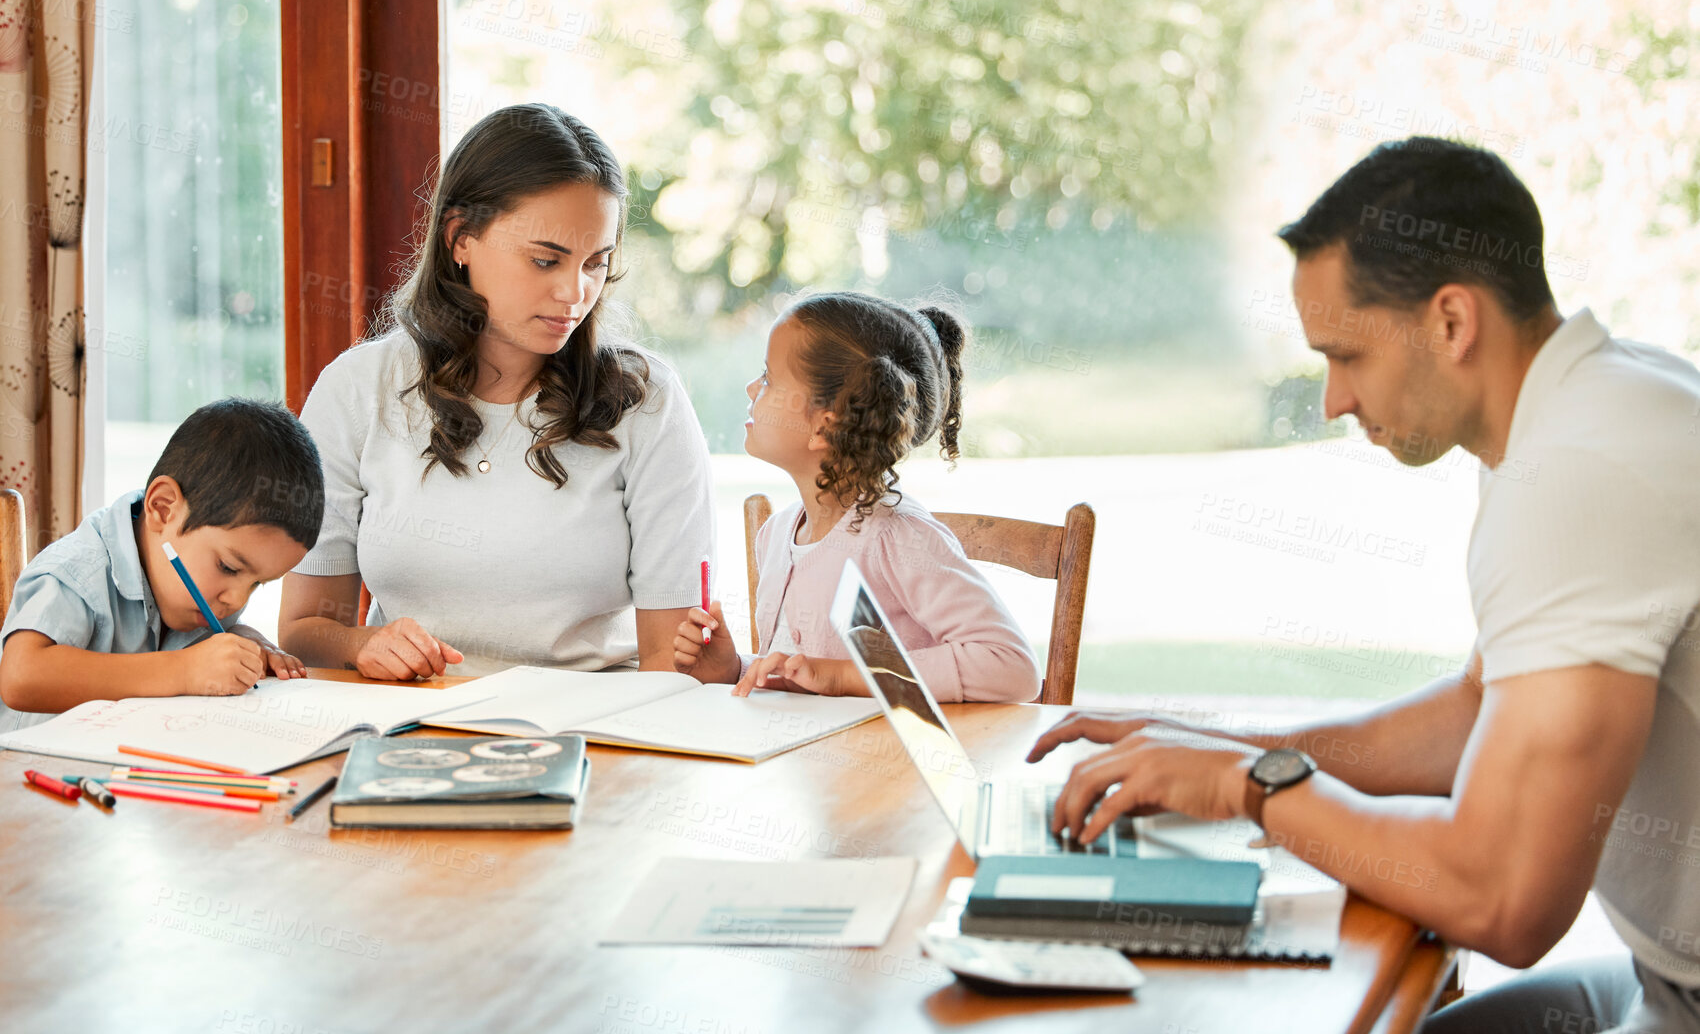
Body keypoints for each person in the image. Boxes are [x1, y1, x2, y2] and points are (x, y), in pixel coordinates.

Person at [1027, 137, 1700, 1032]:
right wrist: (1213, 748)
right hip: (1664, 977)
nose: (1333, 401)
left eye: (1346, 355)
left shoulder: (1578, 474)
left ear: (1451, 322)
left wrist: (1249, 786)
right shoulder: (1597, 405)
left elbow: (1504, 898)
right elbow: (1474, 712)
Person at [278, 105, 715, 679]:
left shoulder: (645, 401)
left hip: (593, 720)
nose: (574, 292)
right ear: (460, 238)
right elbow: (305, 631)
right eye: (545, 260)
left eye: (596, 263)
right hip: (412, 714)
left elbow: (672, 663)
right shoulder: (358, 388)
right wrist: (361, 644)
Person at [673, 292, 1041, 703]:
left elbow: (1012, 666)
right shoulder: (775, 535)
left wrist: (842, 676)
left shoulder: (897, 536)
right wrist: (733, 669)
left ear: (824, 427)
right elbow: (798, 676)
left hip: (883, 748)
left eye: (768, 378)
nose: (751, 387)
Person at [0, 398, 322, 731]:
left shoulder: (195, 593)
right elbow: (21, 677)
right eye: (228, 567)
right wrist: (183, 670)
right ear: (164, 509)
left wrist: (244, 638)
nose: (237, 599)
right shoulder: (79, 571)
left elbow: (199, 652)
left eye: (257, 583)